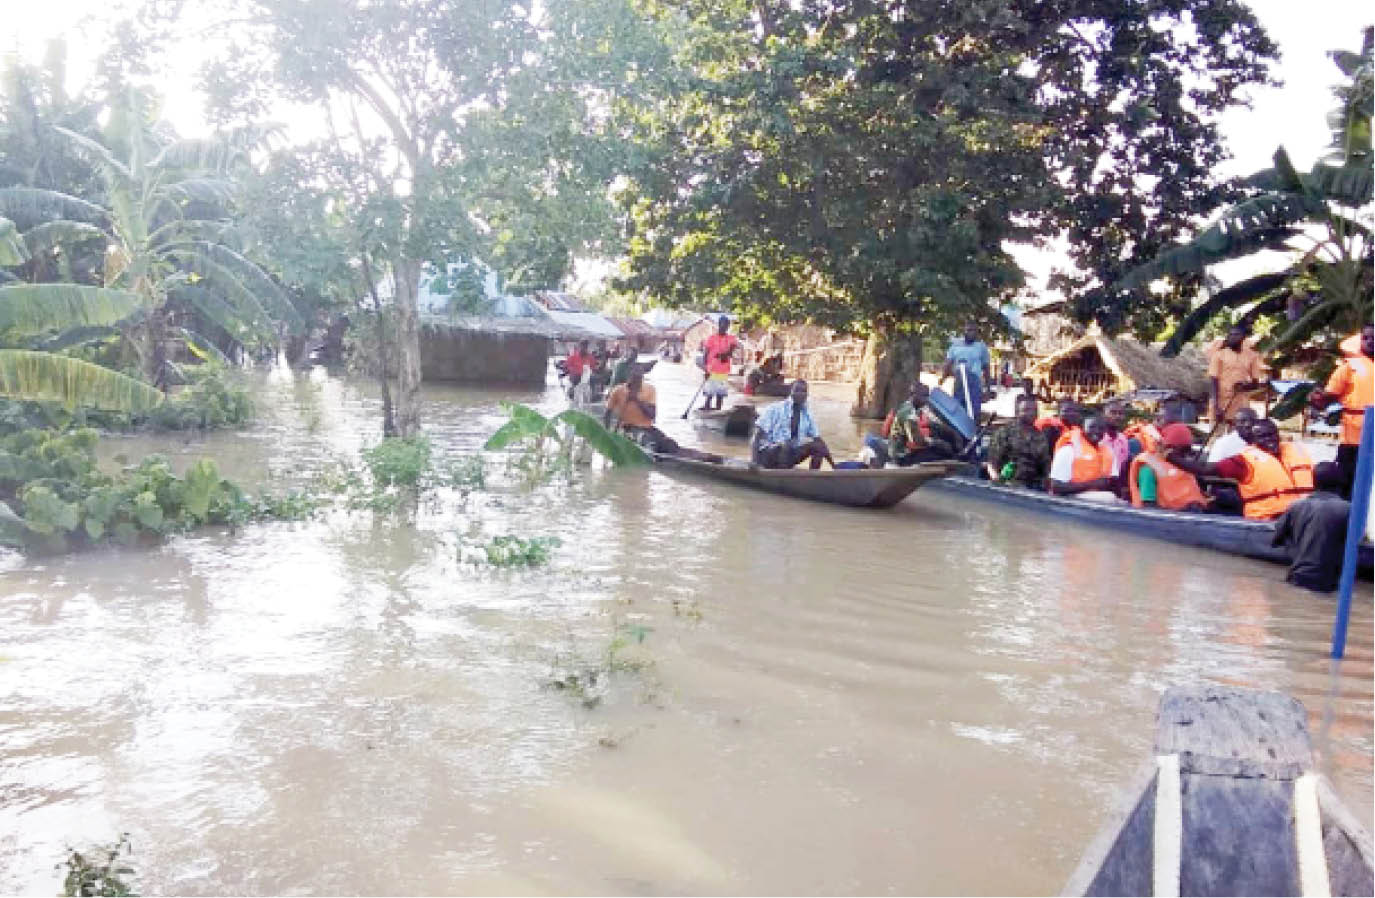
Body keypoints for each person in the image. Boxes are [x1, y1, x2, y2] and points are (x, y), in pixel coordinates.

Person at [1173, 418, 1313, 520]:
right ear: (1253, 441)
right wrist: (1171, 457)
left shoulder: (1295, 451)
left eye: (1272, 434)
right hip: (1268, 517)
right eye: (1262, 437)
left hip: (1304, 515)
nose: (1270, 439)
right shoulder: (1244, 461)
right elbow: (1205, 469)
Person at [1308, 324, 1374, 497]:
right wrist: (1318, 400)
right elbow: (1329, 396)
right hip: (1353, 437)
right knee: (1348, 479)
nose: (1370, 342)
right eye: (1365, 338)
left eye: (1373, 338)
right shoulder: (1349, 367)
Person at [1271, 462, 1351, 593]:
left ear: (1314, 483)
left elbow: (1275, 540)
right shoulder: (1348, 510)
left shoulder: (1295, 506)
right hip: (1326, 583)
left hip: (1295, 578)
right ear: (1340, 484)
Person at [864, 381, 958, 467]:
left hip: (904, 451)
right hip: (902, 456)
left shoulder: (912, 408)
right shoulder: (908, 413)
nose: (925, 400)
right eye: (923, 396)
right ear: (913, 395)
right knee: (941, 454)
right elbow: (917, 440)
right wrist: (936, 443)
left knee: (940, 449)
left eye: (927, 396)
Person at [751, 379, 834, 469]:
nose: (801, 394)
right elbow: (756, 436)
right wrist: (754, 462)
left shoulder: (806, 415)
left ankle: (811, 477)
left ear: (807, 395)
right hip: (767, 455)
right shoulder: (775, 409)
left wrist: (833, 465)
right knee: (785, 445)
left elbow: (819, 441)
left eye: (804, 391)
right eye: (797, 390)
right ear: (791, 392)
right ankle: (781, 477)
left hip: (788, 455)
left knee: (817, 447)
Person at [1127, 423, 1208, 511]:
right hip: (1167, 519)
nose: (1186, 456)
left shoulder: (1185, 467)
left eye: (1188, 450)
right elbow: (1148, 506)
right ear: (1168, 448)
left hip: (1195, 515)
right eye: (1183, 450)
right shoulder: (1148, 467)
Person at [987, 394, 1052, 488]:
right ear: (1017, 412)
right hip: (1008, 485)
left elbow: (1045, 467)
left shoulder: (1040, 436)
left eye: (1034, 410)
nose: (1032, 413)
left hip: (1033, 488)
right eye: (1027, 410)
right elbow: (992, 463)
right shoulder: (1005, 432)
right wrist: (998, 482)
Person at [1048, 414, 1117, 501]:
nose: (1097, 431)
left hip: (1094, 498)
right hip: (1067, 499)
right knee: (1108, 497)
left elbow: (1112, 482)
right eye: (1092, 427)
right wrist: (1093, 484)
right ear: (1082, 429)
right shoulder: (1068, 450)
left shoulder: (1108, 452)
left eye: (1101, 428)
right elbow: (1056, 487)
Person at [1208, 325, 1268, 424]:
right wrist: (1216, 406)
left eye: (1236, 335)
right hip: (1220, 404)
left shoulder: (1251, 356)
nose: (1232, 337)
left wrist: (1245, 386)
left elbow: (1256, 383)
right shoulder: (1219, 355)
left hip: (1240, 405)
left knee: (1237, 436)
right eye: (1230, 335)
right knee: (1217, 437)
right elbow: (1213, 381)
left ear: (1243, 337)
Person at [941, 322, 992, 419]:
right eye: (969, 330)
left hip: (974, 382)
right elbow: (948, 364)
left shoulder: (981, 347)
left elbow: (986, 368)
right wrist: (943, 379)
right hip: (959, 382)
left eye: (974, 331)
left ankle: (974, 431)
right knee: (958, 410)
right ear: (964, 331)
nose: (971, 333)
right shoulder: (955, 346)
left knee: (974, 411)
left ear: (977, 333)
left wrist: (988, 389)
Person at [700, 316, 740, 411]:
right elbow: (705, 354)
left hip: (723, 370)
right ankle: (707, 408)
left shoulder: (731, 339)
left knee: (720, 393)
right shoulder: (711, 338)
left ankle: (718, 410)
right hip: (712, 369)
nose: (724, 327)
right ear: (719, 325)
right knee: (709, 393)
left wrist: (725, 354)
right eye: (722, 324)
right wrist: (705, 369)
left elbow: (732, 349)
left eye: (726, 325)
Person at [1101, 402, 1131, 475]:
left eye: (1120, 413)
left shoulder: (1123, 439)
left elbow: (1123, 465)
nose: (1117, 416)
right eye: (1113, 413)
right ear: (1103, 415)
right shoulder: (1098, 438)